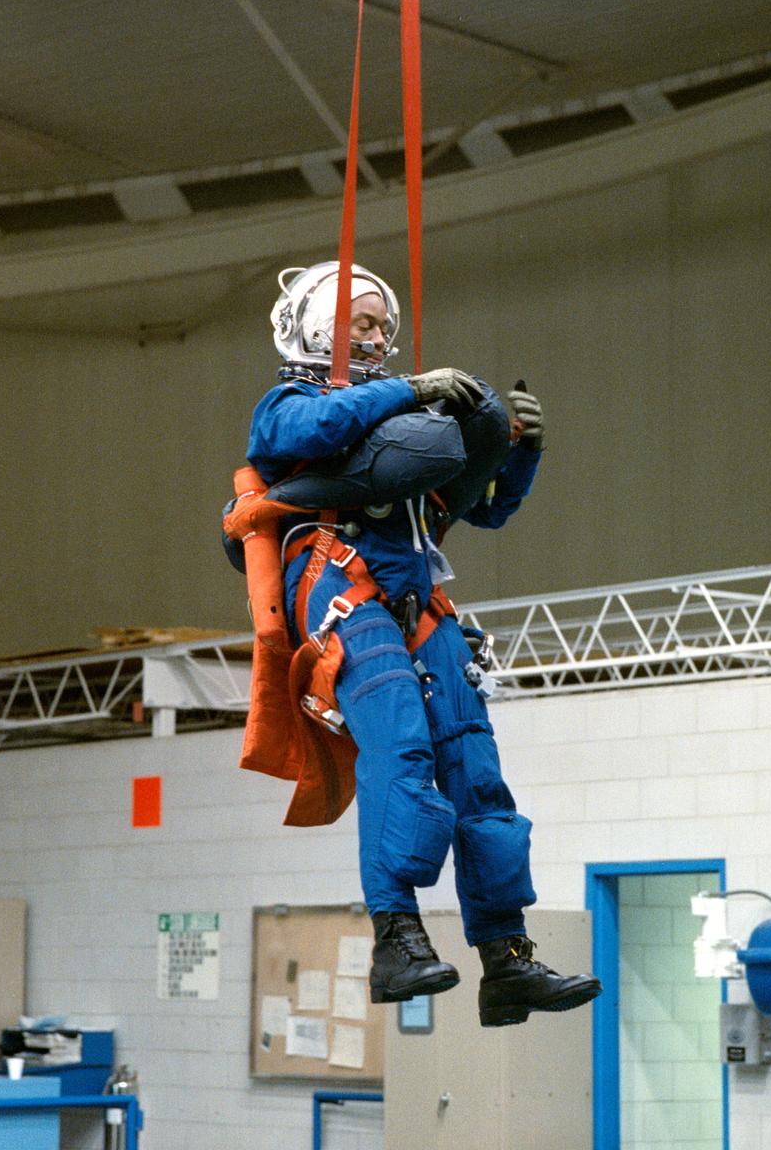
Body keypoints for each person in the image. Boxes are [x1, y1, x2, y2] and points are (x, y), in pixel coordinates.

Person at [225, 261, 601, 1026]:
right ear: (312, 331)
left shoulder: (403, 442)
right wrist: (411, 389)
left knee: (473, 766)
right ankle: (395, 935)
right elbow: (309, 432)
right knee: (400, 748)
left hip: (414, 602)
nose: (374, 336)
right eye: (357, 324)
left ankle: (505, 956)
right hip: (341, 586)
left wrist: (515, 446)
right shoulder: (290, 407)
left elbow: (478, 510)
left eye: (379, 326)